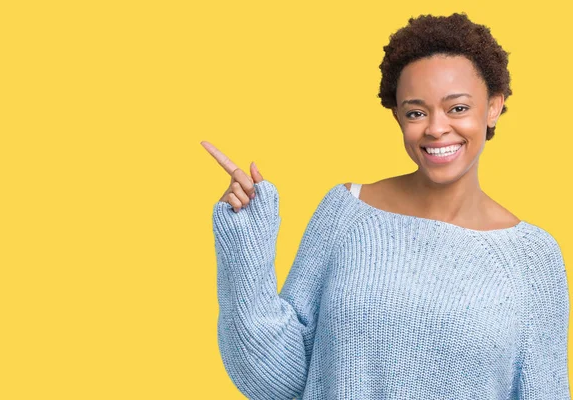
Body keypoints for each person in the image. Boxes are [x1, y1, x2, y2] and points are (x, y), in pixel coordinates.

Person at [202, 12, 570, 400]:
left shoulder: (533, 259)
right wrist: (245, 244)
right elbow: (279, 381)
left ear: (493, 107)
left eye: (457, 108)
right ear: (397, 116)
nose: (435, 128)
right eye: (416, 112)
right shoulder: (346, 213)